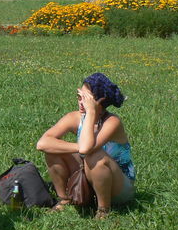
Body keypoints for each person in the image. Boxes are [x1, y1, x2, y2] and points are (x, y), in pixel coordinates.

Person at [36, 73, 135, 219]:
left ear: (100, 101)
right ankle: (64, 199)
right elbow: (42, 143)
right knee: (53, 151)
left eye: (86, 99)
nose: (81, 102)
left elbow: (86, 149)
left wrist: (91, 112)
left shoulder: (112, 122)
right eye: (79, 97)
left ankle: (103, 209)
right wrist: (77, 147)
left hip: (120, 186)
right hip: (91, 178)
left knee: (94, 155)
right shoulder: (74, 117)